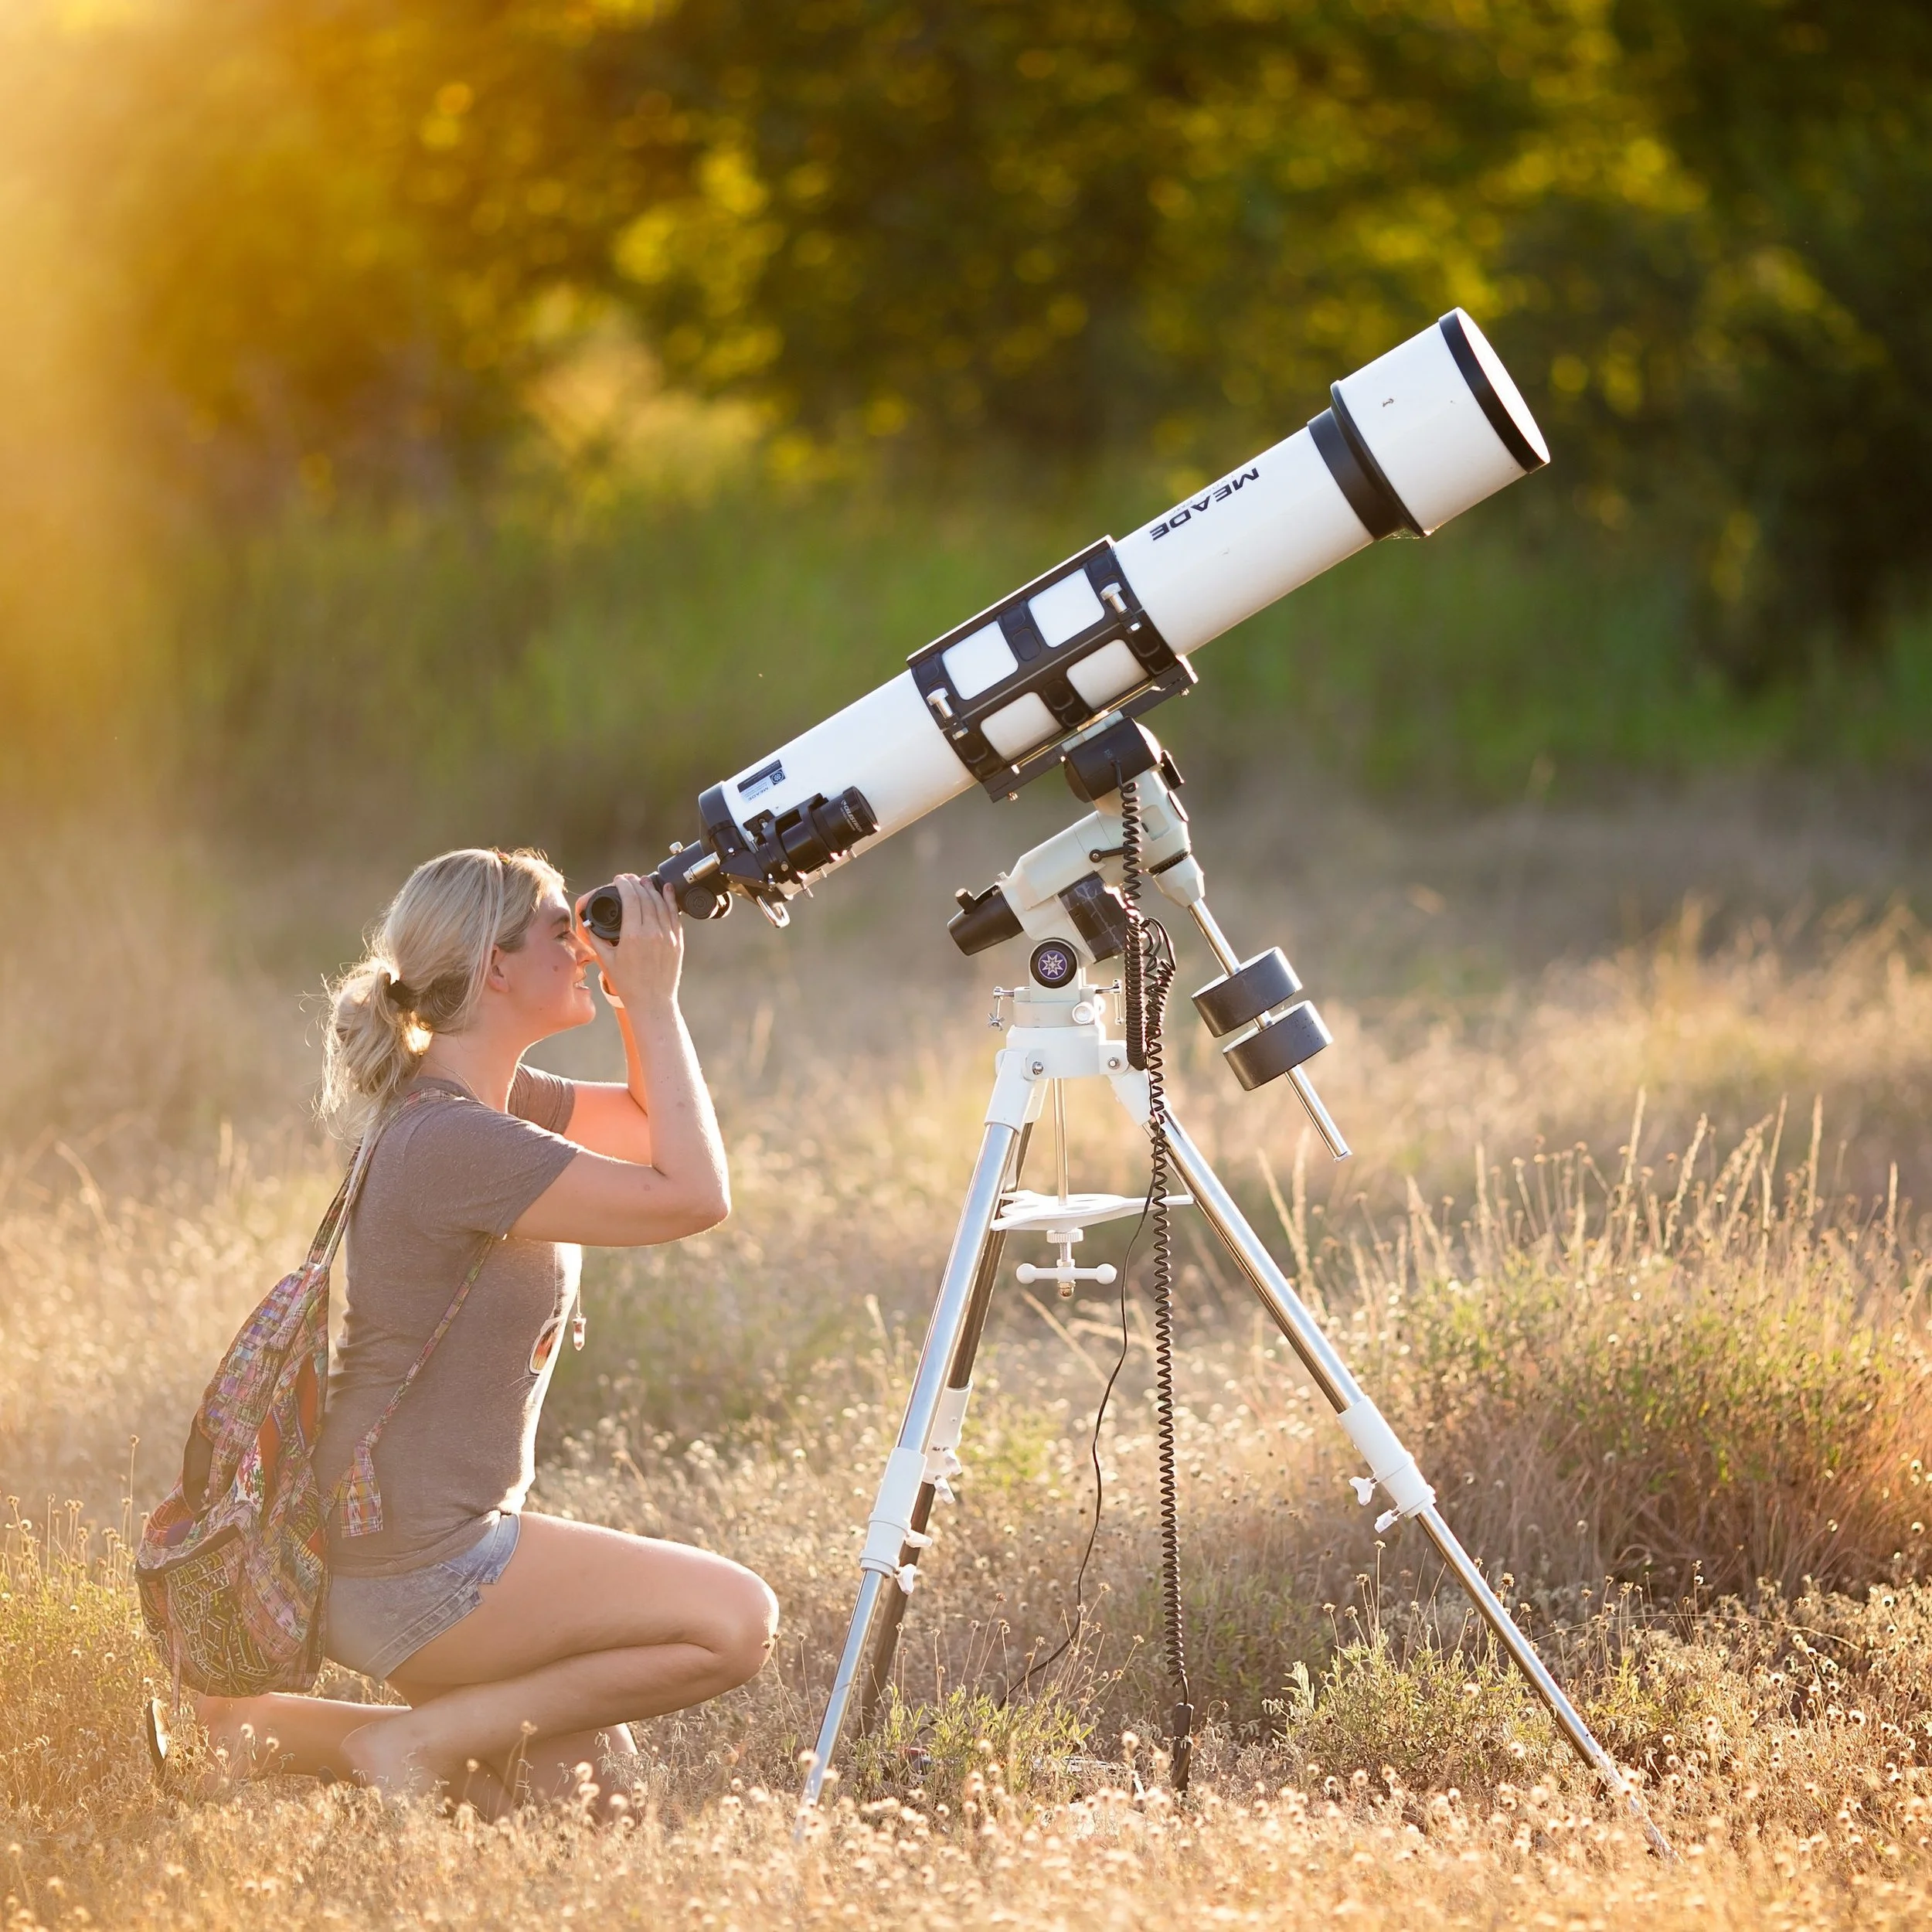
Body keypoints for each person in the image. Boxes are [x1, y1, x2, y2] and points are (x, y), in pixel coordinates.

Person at [192, 846, 773, 1815]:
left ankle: (274, 1731)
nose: (585, 951)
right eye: (561, 929)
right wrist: (657, 1003)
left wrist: (637, 1000)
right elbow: (695, 1196)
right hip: (422, 1557)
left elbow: (646, 1119)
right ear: (494, 967)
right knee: (735, 1621)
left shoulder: (482, 1102)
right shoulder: (452, 1139)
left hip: (394, 1542)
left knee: (597, 1817)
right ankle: (411, 1740)